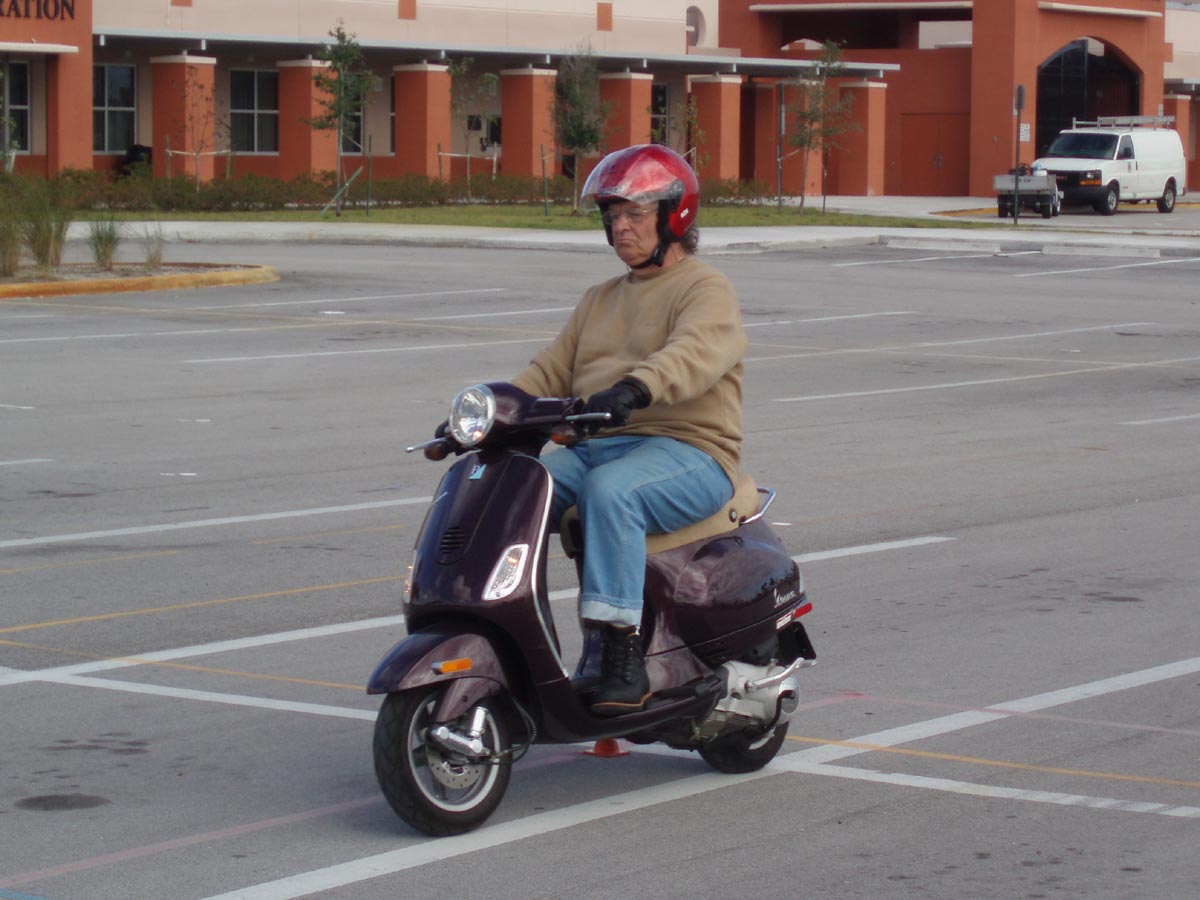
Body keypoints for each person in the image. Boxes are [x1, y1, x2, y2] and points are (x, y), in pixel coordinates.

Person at [509, 144, 747, 716]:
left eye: (635, 214)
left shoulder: (704, 288)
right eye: (612, 215)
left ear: (673, 216)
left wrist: (635, 389)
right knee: (513, 488)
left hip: (691, 451)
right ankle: (510, 633)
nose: (620, 227)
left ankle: (621, 653)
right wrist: (496, 408)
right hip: (600, 446)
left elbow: (693, 352)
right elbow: (549, 369)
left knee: (609, 492)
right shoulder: (600, 299)